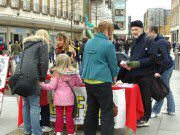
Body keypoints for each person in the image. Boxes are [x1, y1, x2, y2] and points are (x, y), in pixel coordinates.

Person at [81, 21, 119, 135]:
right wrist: (114, 76)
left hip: (88, 81)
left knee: (91, 110)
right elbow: (113, 64)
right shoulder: (108, 44)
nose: (111, 35)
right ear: (107, 31)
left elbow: (84, 61)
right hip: (102, 81)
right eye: (111, 32)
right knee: (107, 112)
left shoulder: (88, 42)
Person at [119, 20, 158, 127]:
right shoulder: (134, 41)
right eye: (132, 30)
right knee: (137, 98)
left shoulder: (150, 41)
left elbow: (153, 58)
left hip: (146, 75)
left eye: (136, 29)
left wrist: (137, 63)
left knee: (145, 98)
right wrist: (128, 64)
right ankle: (138, 116)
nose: (134, 32)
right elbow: (133, 57)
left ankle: (145, 119)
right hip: (134, 75)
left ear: (141, 29)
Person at [15, 29, 49, 135]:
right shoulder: (43, 43)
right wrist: (42, 78)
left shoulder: (27, 44)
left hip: (21, 76)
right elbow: (44, 63)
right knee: (34, 105)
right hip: (33, 77)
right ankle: (36, 132)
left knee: (26, 105)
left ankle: (27, 130)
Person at [40, 54, 82, 135]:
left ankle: (58, 131)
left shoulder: (56, 73)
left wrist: (41, 84)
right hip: (70, 98)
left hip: (58, 98)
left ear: (58, 62)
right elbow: (79, 83)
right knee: (69, 116)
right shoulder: (74, 72)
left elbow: (51, 86)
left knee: (59, 115)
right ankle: (71, 132)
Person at [146, 25, 175, 117]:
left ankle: (155, 110)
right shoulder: (157, 40)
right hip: (167, 66)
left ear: (153, 32)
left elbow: (165, 59)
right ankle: (171, 109)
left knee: (161, 88)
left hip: (165, 68)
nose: (147, 34)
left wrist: (160, 72)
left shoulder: (160, 42)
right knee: (166, 88)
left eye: (148, 32)